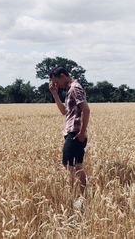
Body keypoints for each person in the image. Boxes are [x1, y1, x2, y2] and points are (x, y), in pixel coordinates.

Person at [49, 67, 90, 208]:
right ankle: (82, 198)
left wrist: (82, 133)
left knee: (68, 165)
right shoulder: (70, 90)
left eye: (57, 82)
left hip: (75, 133)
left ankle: (76, 198)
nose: (57, 85)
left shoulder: (74, 88)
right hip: (74, 132)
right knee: (77, 166)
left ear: (63, 76)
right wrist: (55, 94)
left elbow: (86, 109)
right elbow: (64, 112)